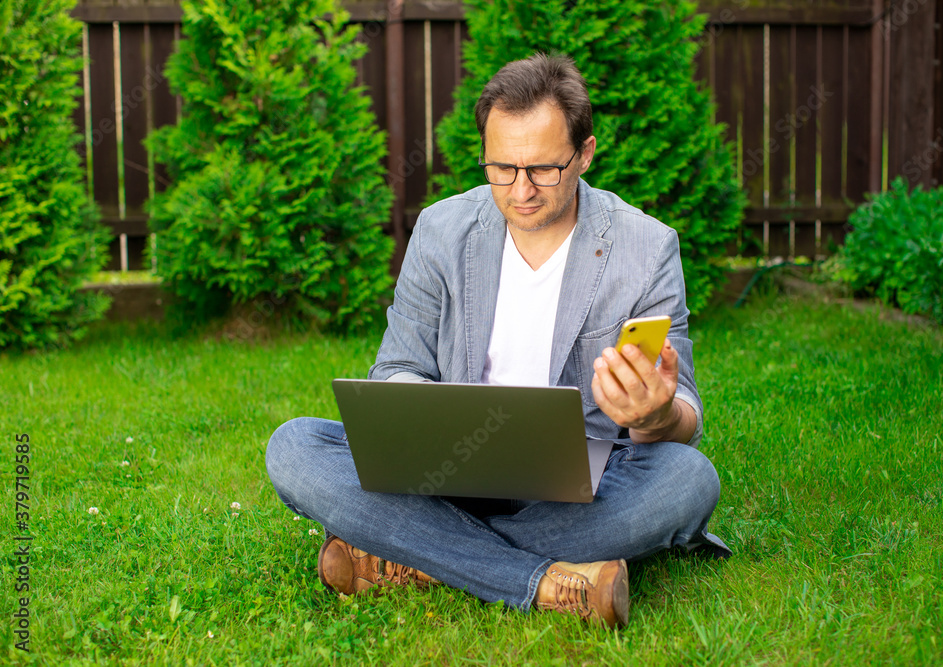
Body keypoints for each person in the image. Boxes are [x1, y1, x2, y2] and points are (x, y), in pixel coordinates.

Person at [266, 53, 730, 629]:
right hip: (448, 474)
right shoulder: (440, 230)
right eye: (502, 168)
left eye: (544, 169)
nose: (521, 190)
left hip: (583, 487)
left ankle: (414, 555)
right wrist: (420, 414)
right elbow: (398, 366)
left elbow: (683, 412)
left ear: (585, 153)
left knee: (687, 478)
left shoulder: (647, 247)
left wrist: (654, 415)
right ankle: (545, 579)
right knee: (295, 445)